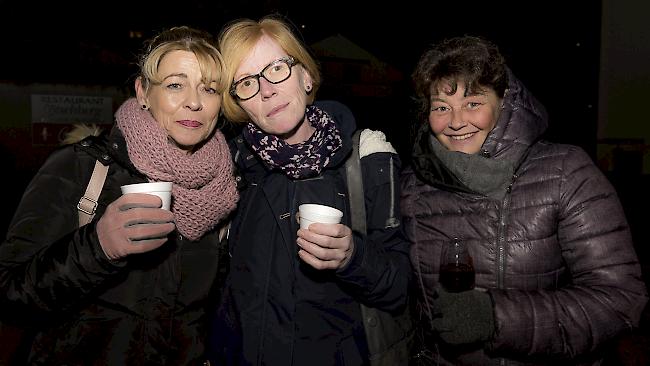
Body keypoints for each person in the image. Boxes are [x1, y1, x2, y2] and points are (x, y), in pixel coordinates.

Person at [400, 35, 648, 365]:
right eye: (442, 107)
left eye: (473, 103)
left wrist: (496, 318)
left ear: (504, 100)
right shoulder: (412, 184)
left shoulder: (565, 171)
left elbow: (620, 300)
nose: (456, 122)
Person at [0, 26, 239, 365]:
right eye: (175, 85)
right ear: (143, 92)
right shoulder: (82, 168)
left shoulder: (223, 192)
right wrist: (97, 248)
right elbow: (10, 292)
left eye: (209, 89)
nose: (195, 102)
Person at [207, 15, 412, 366]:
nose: (266, 90)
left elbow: (401, 288)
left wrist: (353, 257)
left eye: (276, 69)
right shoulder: (230, 171)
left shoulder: (367, 160)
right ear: (239, 104)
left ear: (305, 75)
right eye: (246, 83)